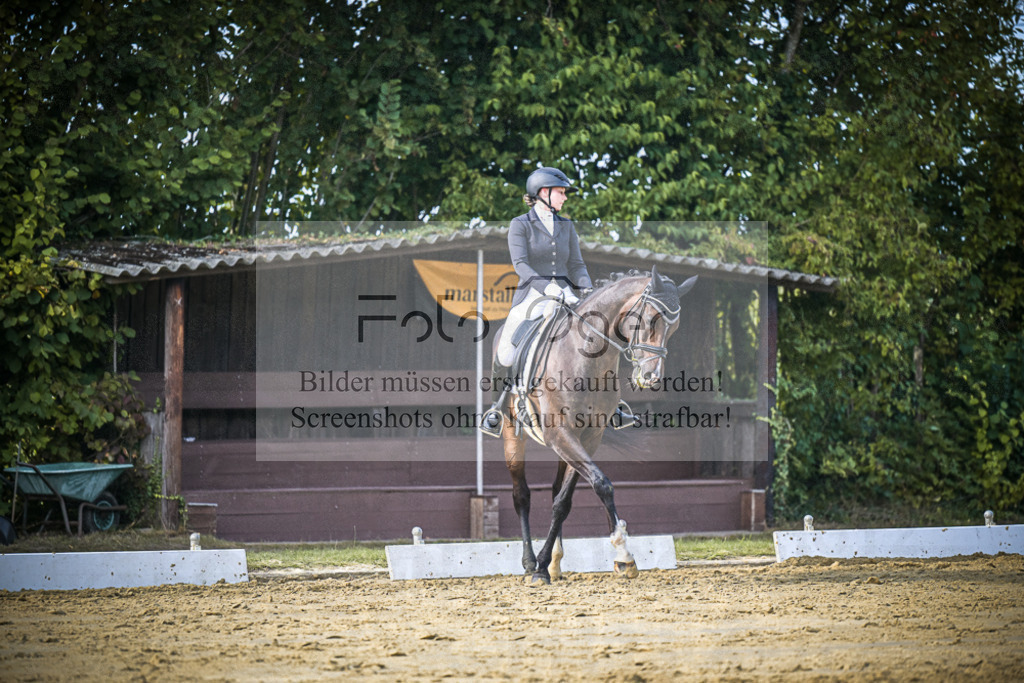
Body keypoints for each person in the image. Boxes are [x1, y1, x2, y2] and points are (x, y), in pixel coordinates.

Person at [479, 166, 594, 437]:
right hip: (532, 293)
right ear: (544, 193)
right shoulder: (520, 224)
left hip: (567, 294)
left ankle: (612, 403)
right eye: (561, 193)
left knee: (596, 336)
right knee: (505, 350)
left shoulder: (567, 225)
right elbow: (521, 265)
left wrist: (586, 289)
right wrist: (547, 287)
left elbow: (576, 264)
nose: (564, 198)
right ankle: (497, 408)